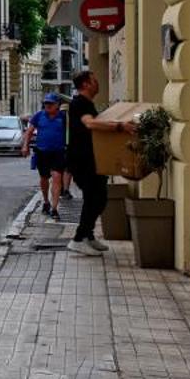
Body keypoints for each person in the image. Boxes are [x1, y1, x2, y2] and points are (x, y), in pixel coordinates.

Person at [67, 69, 110, 255]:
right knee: (94, 198)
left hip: (92, 159)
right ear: (85, 84)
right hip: (82, 160)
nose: (97, 83)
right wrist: (118, 126)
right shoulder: (80, 104)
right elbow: (90, 124)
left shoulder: (87, 104)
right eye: (94, 80)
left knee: (99, 198)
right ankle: (78, 239)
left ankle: (88, 236)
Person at [22, 92, 70, 219]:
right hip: (42, 152)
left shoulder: (64, 117)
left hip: (58, 152)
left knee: (56, 177)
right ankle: (46, 201)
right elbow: (29, 131)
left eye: (50, 103)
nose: (47, 106)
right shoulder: (39, 115)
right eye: (46, 103)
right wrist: (25, 145)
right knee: (44, 178)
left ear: (57, 105)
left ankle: (54, 209)